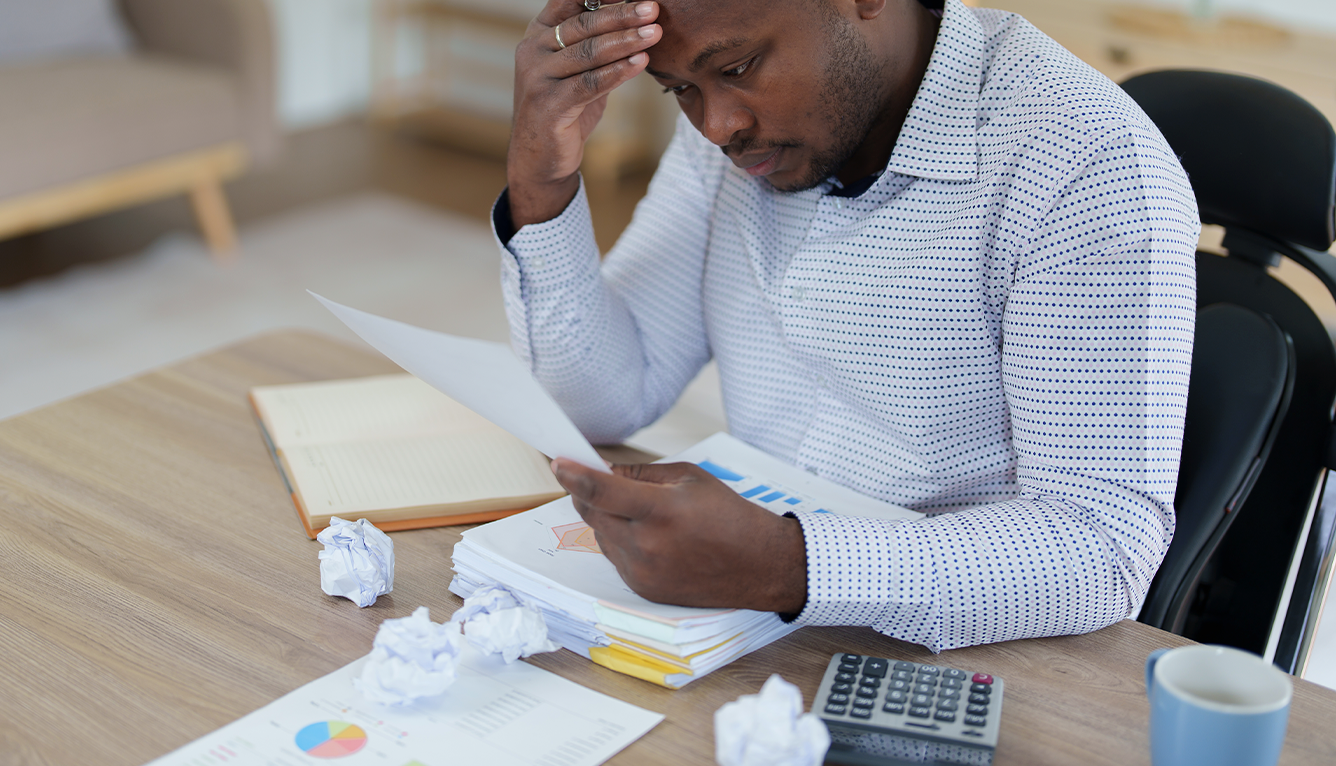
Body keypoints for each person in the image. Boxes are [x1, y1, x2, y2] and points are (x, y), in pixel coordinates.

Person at [495, 0, 1198, 651]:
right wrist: (541, 177)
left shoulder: (1087, 162)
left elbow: (1104, 547)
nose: (715, 128)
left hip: (970, 654)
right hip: (744, 629)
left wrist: (785, 563)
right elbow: (607, 398)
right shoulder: (739, 130)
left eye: (737, 68)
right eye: (679, 89)